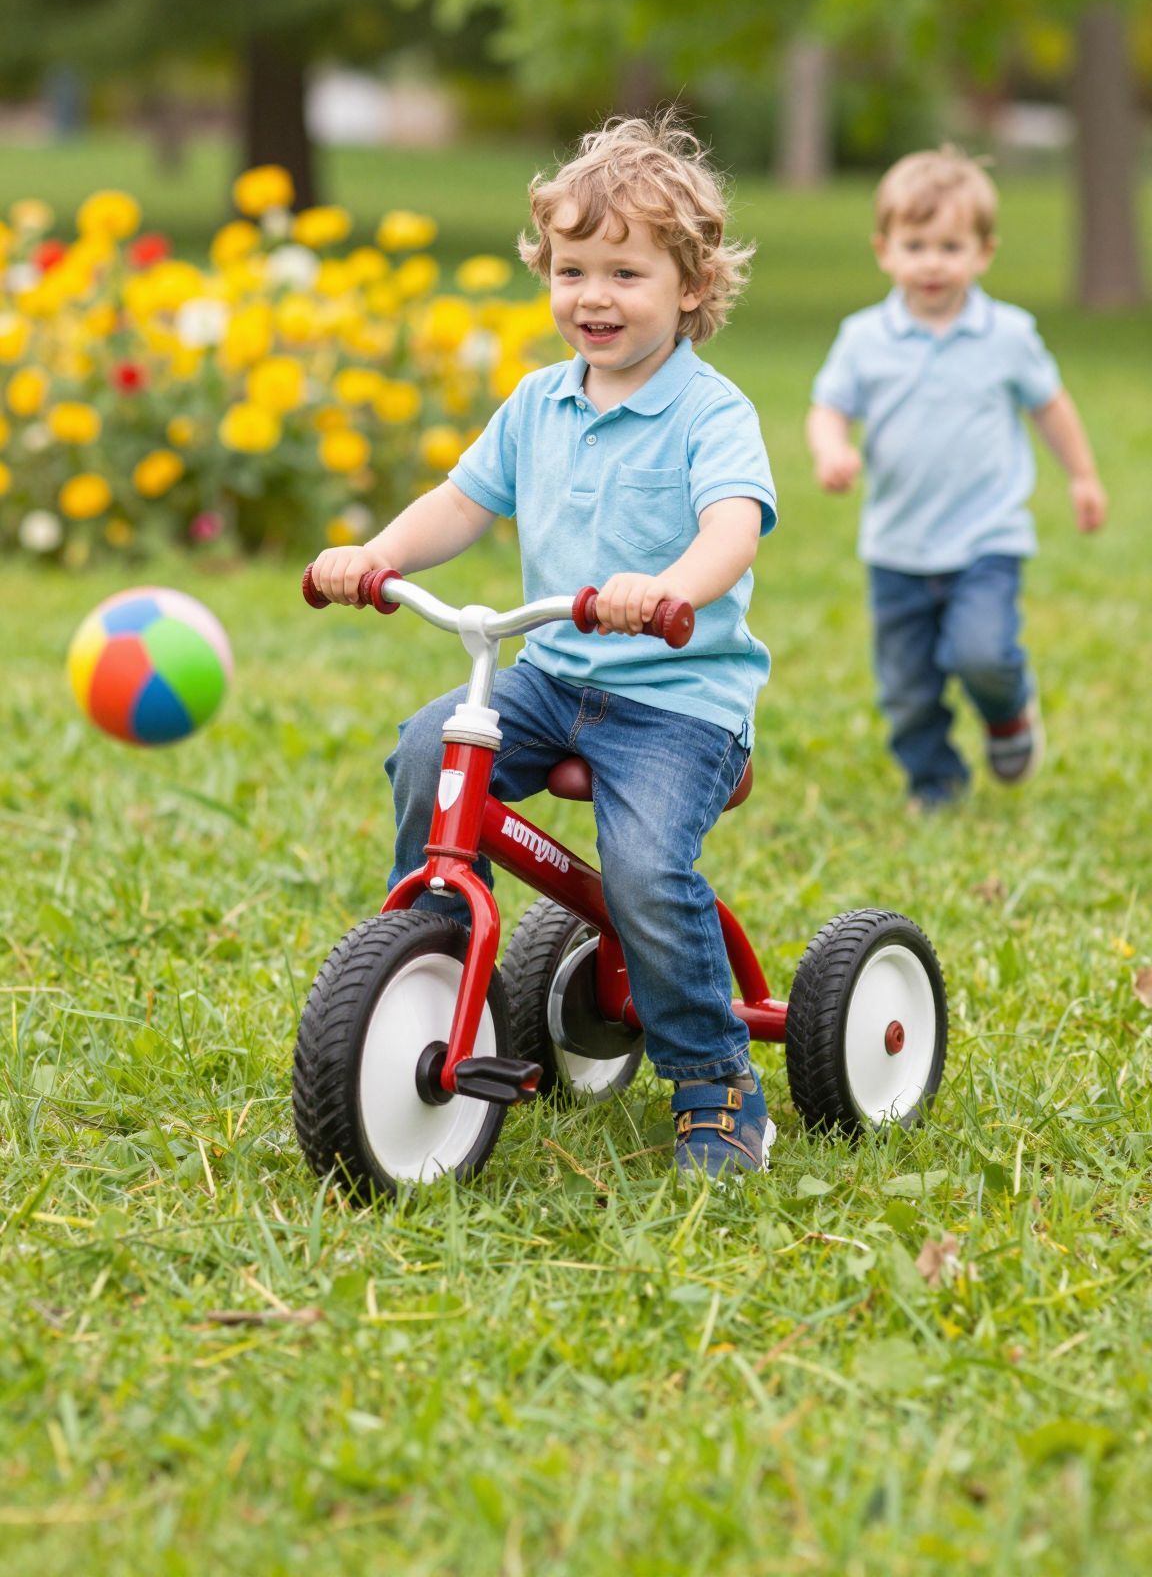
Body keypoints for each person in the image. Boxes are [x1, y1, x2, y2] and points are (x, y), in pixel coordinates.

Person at [308, 116, 778, 1179]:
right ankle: (430, 960)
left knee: (647, 870)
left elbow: (732, 527)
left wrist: (667, 589)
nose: (593, 296)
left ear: (692, 288)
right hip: (555, 678)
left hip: (679, 701)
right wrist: (374, 553)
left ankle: (714, 1075)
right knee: (433, 749)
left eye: (626, 271)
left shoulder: (712, 412)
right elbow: (462, 501)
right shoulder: (538, 401)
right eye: (572, 270)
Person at [807, 146, 1107, 810]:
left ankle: (1007, 713)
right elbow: (829, 406)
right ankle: (934, 780)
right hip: (897, 547)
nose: (933, 262)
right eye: (917, 245)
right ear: (885, 250)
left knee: (983, 653)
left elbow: (1050, 405)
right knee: (906, 688)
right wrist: (832, 449)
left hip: (985, 540)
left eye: (951, 245)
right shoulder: (864, 338)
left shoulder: (1008, 334)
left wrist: (1082, 476)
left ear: (983, 252)